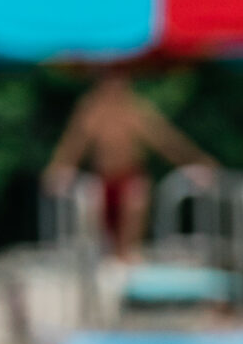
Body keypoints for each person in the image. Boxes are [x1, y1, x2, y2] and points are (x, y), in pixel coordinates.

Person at [43, 70, 215, 259]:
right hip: (102, 181)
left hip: (129, 179)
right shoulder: (90, 109)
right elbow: (73, 144)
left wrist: (196, 160)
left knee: (137, 196)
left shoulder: (135, 108)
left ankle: (127, 257)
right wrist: (58, 167)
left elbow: (166, 141)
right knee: (90, 202)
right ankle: (102, 260)